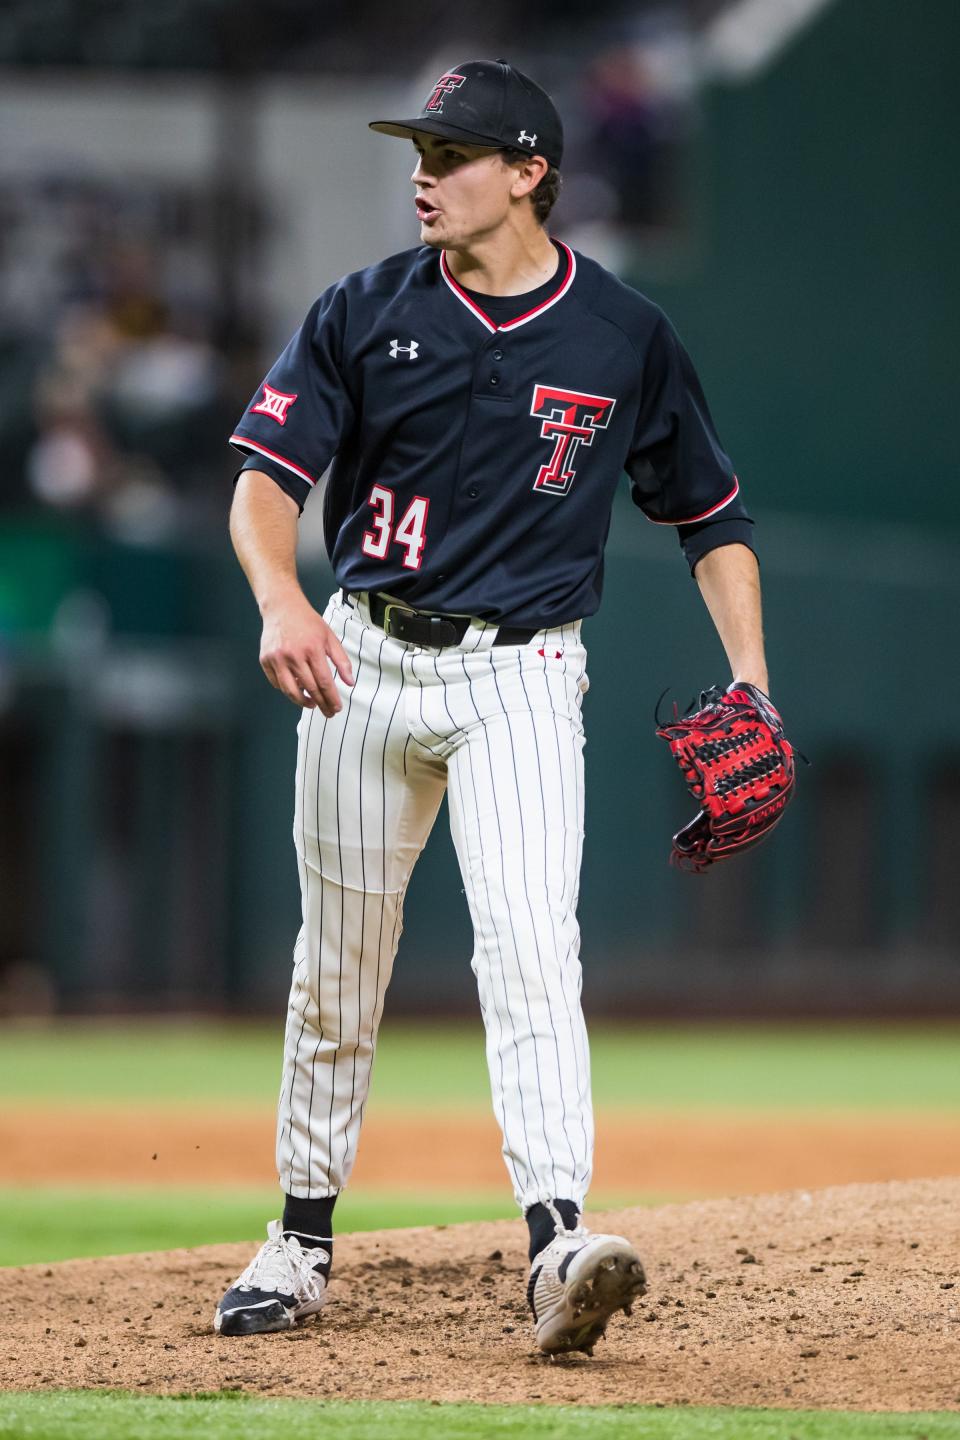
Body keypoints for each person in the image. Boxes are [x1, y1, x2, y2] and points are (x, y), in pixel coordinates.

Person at [215, 59, 767, 1355]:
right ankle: (298, 1242)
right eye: (419, 147)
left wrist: (752, 679)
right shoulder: (361, 312)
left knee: (530, 952)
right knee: (333, 976)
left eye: (453, 152)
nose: (424, 170)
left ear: (529, 174)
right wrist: (278, 601)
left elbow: (711, 515)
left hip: (520, 673)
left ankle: (558, 1242)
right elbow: (263, 485)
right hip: (360, 659)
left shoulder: (623, 334)